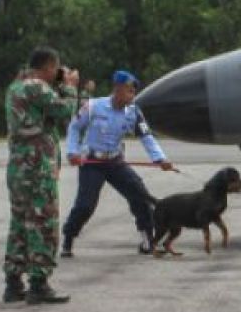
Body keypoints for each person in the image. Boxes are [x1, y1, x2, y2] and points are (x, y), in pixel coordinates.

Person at [63, 70, 175, 257]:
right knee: (85, 205)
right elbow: (74, 128)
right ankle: (68, 239)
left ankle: (148, 239)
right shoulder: (93, 106)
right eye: (129, 91)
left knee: (140, 194)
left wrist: (160, 159)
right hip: (91, 163)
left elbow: (147, 137)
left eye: (133, 92)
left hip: (115, 162)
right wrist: (72, 152)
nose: (132, 96)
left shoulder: (133, 112)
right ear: (117, 89)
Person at [3, 47, 81, 304]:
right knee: (44, 222)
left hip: (18, 166)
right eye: (55, 69)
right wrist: (69, 86)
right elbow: (65, 111)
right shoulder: (37, 85)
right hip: (37, 166)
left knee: (20, 223)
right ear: (48, 67)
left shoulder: (16, 86)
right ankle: (39, 283)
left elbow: (44, 110)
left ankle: (13, 283)